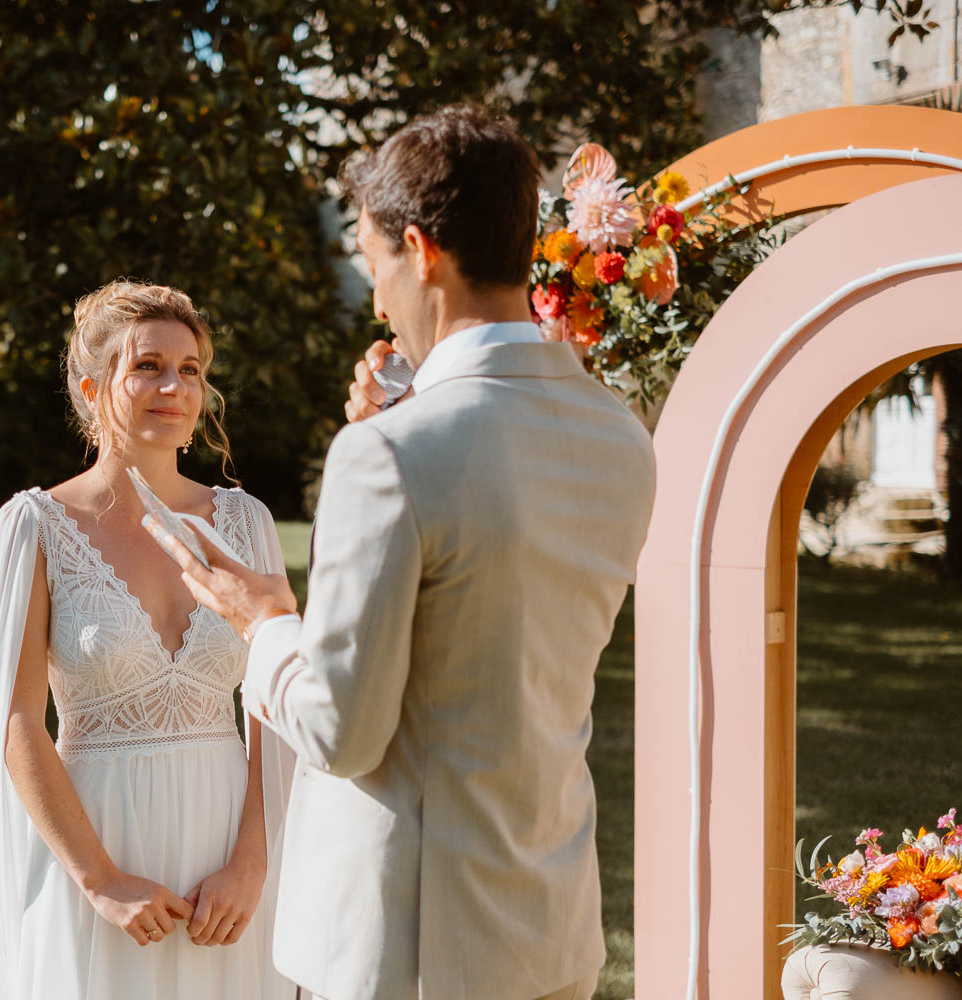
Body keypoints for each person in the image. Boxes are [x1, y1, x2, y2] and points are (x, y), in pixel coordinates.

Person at [163, 105, 657, 1000]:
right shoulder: (620, 437)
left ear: (421, 250)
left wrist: (267, 624)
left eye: (373, 263)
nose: (377, 299)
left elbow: (342, 733)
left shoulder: (388, 456)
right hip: (549, 930)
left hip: (409, 949)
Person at [0, 279, 297, 999]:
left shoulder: (247, 523)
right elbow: (18, 722)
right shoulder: (35, 527)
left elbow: (277, 706)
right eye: (147, 366)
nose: (173, 386)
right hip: (101, 835)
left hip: (230, 851)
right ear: (93, 388)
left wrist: (253, 862)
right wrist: (102, 880)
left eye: (190, 369)